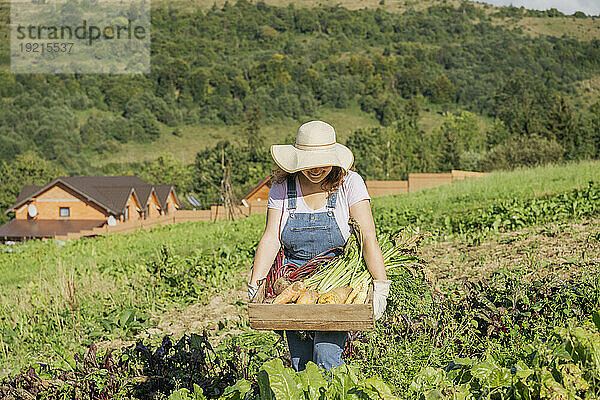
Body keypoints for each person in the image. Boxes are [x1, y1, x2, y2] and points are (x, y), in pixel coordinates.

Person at [248, 120, 391, 372]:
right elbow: (271, 237)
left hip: (336, 287)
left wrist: (380, 285)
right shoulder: (282, 187)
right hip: (293, 286)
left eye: (322, 161)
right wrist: (255, 283)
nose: (315, 169)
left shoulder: (349, 183)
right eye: (308, 163)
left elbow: (367, 236)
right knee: (300, 363)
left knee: (326, 356)